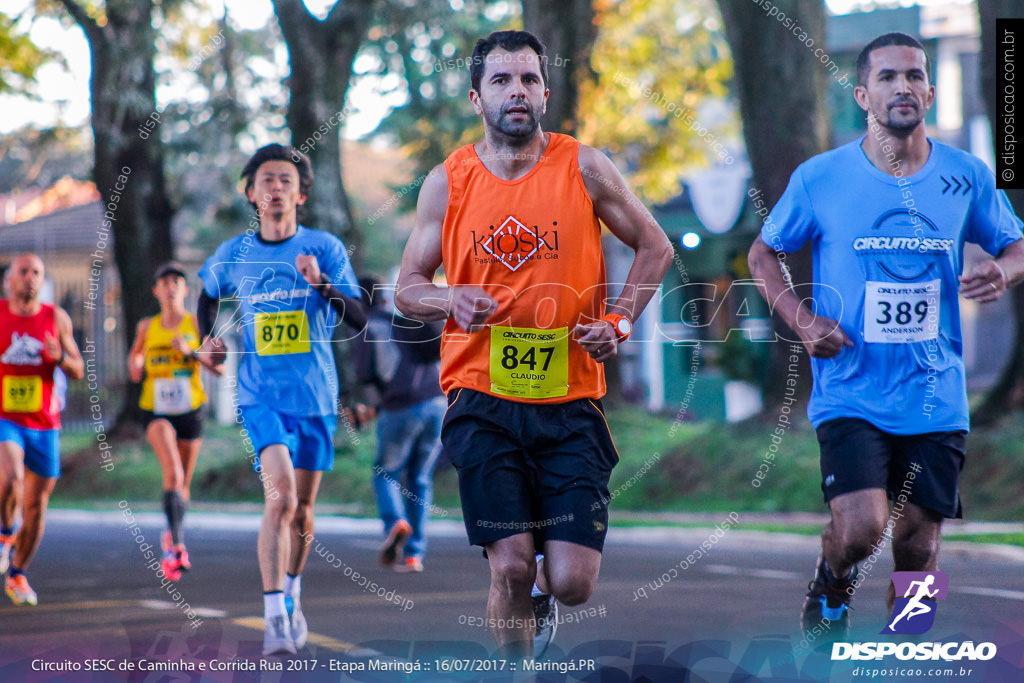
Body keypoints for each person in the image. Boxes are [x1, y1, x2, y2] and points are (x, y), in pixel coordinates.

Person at [395, 30, 673, 659]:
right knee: (511, 567)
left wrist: (620, 321)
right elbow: (407, 287)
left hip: (570, 401)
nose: (516, 91)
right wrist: (450, 300)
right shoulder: (449, 182)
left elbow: (656, 247)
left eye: (527, 79)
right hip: (481, 399)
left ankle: (546, 603)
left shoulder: (585, 166)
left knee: (572, 583)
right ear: (476, 97)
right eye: (501, 80)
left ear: (545, 92)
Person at [747, 32, 1024, 641]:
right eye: (889, 77)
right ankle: (833, 579)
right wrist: (802, 319)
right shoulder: (822, 178)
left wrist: (1000, 271)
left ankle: (911, 648)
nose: (904, 87)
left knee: (919, 541)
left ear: (929, 88)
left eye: (915, 76)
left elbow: (1015, 242)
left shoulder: (967, 175)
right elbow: (763, 253)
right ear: (863, 94)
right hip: (851, 385)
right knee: (862, 529)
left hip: (935, 388)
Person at [196, 143, 366, 655]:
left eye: (285, 181)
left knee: (304, 509)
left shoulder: (326, 247)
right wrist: (209, 338)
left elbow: (358, 318)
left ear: (301, 195)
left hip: (314, 396)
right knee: (283, 497)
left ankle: (292, 591)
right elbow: (205, 295)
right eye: (266, 180)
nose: (275, 188)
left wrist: (325, 283)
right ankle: (273, 618)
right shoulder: (234, 254)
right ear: (251, 193)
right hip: (259, 395)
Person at [128, 262, 224, 582]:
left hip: (190, 410)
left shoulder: (196, 324)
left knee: (182, 487)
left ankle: (171, 533)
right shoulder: (146, 327)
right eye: (164, 282)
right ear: (156, 290)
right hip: (155, 410)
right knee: (173, 472)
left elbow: (219, 367)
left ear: (185, 290)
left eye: (177, 282)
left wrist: (191, 352)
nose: (170, 287)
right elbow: (135, 360)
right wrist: (137, 363)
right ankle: (177, 547)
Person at [0, 254, 84, 605]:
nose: (31, 278)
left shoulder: (55, 318)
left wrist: (59, 358)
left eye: (37, 273)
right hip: (6, 418)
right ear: (9, 280)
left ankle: (18, 573)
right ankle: (6, 535)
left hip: (45, 423)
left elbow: (78, 369)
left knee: (36, 506)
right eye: (24, 272)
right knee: (11, 477)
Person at [354, 276, 445, 574]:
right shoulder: (404, 320)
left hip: (402, 407)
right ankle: (413, 555)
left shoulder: (370, 327)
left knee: (385, 472)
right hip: (437, 404)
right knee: (419, 478)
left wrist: (368, 407)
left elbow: (367, 375)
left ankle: (396, 522)